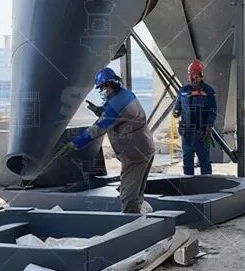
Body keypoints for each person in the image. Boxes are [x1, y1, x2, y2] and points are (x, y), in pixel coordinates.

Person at [68, 68, 155, 213]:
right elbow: (119, 116)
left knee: (128, 196)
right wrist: (100, 111)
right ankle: (143, 217)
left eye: (104, 86)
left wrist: (74, 144)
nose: (103, 90)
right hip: (144, 148)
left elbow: (98, 129)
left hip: (135, 154)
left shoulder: (116, 105)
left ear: (113, 84)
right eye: (101, 88)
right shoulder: (125, 95)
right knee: (136, 192)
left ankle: (133, 222)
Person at [173, 59, 217, 175]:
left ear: (201, 76)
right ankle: (188, 184)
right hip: (186, 134)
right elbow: (177, 108)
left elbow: (213, 110)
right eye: (191, 76)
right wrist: (176, 112)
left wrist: (209, 125)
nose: (193, 79)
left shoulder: (208, 91)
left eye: (196, 76)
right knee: (187, 163)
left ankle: (207, 183)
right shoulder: (183, 91)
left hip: (201, 134)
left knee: (204, 163)